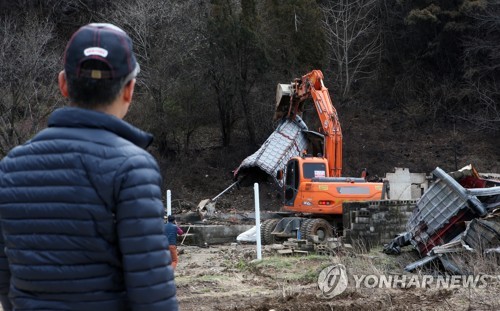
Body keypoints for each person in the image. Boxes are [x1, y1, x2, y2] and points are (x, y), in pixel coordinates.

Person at [0, 23, 178, 311]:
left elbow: (5, 279)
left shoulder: (10, 166)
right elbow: (151, 292)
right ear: (129, 90)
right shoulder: (133, 168)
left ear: (63, 84)